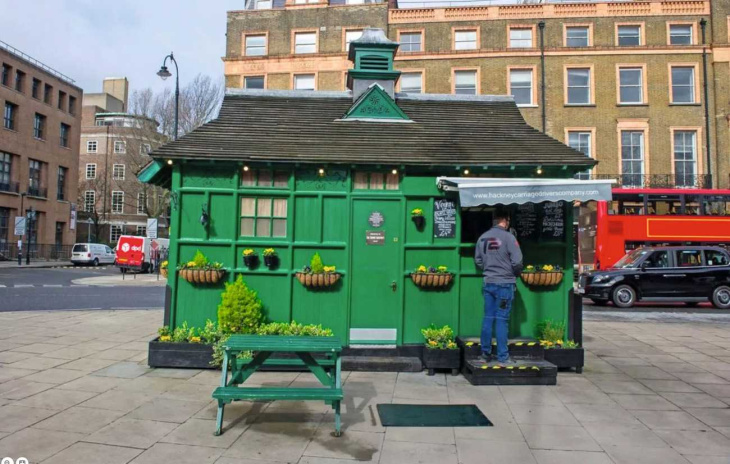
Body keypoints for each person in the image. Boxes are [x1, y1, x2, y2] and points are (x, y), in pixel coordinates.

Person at [474, 208, 523, 365]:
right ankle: (503, 357)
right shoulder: (509, 238)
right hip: (505, 284)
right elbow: (518, 262)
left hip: (488, 283)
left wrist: (490, 269)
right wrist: (513, 273)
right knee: (502, 320)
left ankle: (485, 354)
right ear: (505, 220)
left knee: (488, 318)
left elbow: (478, 261)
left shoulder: (482, 238)